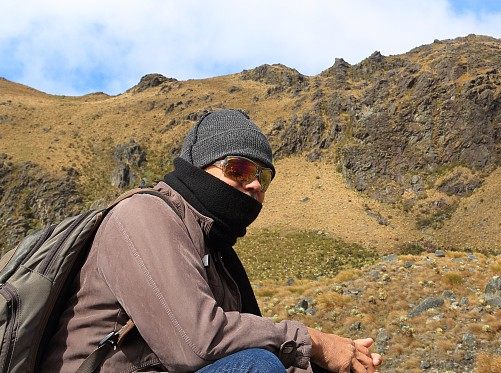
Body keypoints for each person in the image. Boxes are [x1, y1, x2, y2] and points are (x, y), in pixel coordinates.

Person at [42, 109, 382, 372]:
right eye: (238, 169)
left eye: (263, 176)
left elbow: (239, 345)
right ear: (198, 168)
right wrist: (313, 341)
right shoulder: (145, 215)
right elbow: (195, 342)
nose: (255, 185)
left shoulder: (215, 251)